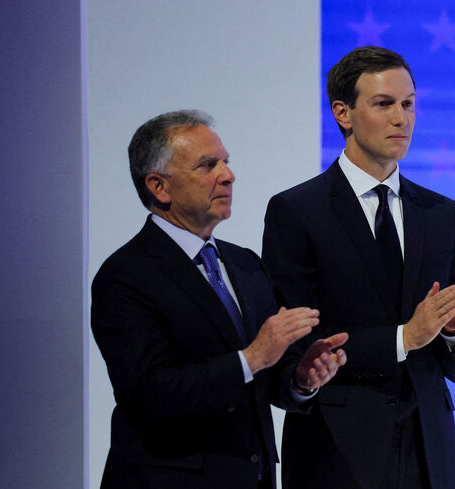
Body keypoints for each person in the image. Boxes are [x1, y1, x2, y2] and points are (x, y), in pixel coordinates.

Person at [262, 47, 455, 489]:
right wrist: (406, 337)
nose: (401, 118)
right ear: (343, 113)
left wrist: (453, 330)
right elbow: (299, 344)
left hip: (431, 456)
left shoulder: (442, 213)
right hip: (337, 457)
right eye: (384, 104)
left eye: (408, 104)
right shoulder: (297, 211)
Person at [91, 110, 347, 489]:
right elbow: (148, 395)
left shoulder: (244, 264)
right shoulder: (125, 276)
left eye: (226, 162)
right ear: (159, 187)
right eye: (207, 165)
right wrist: (253, 357)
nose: (228, 175)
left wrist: (300, 379)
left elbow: (265, 378)